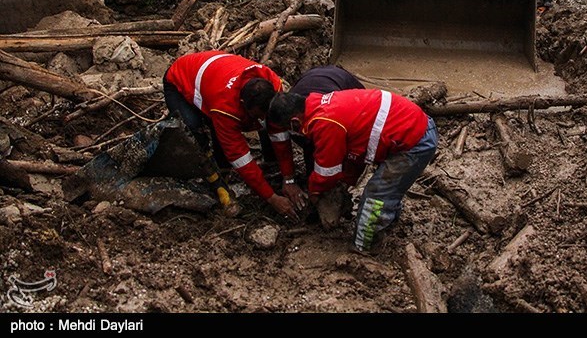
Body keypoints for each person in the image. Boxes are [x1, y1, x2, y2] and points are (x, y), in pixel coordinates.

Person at [268, 88, 438, 252]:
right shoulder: (320, 105)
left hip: (413, 140)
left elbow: (327, 172)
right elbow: (354, 151)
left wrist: (314, 192)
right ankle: (389, 218)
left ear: (295, 122)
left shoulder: (324, 122)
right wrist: (348, 181)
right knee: (389, 189)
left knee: (376, 196)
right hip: (412, 127)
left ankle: (365, 246)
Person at [162, 50, 302, 219]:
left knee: (273, 122)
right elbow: (240, 157)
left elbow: (279, 133)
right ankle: (216, 179)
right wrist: (271, 198)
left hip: (215, 73)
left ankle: (272, 169)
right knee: (193, 130)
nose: (262, 120)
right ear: (243, 104)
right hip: (180, 79)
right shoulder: (225, 108)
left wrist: (289, 178)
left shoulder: (272, 82)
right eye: (257, 115)